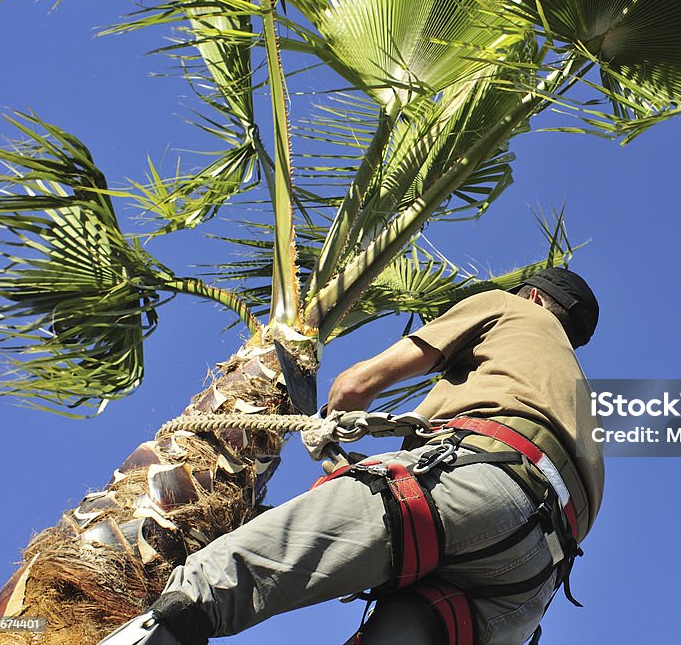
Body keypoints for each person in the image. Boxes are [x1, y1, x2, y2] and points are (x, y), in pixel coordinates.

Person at [101, 267, 604, 645]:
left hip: (476, 487)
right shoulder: (582, 405)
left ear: (535, 296)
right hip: (528, 587)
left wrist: (330, 420)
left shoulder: (514, 310)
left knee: (221, 580)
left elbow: (358, 384)